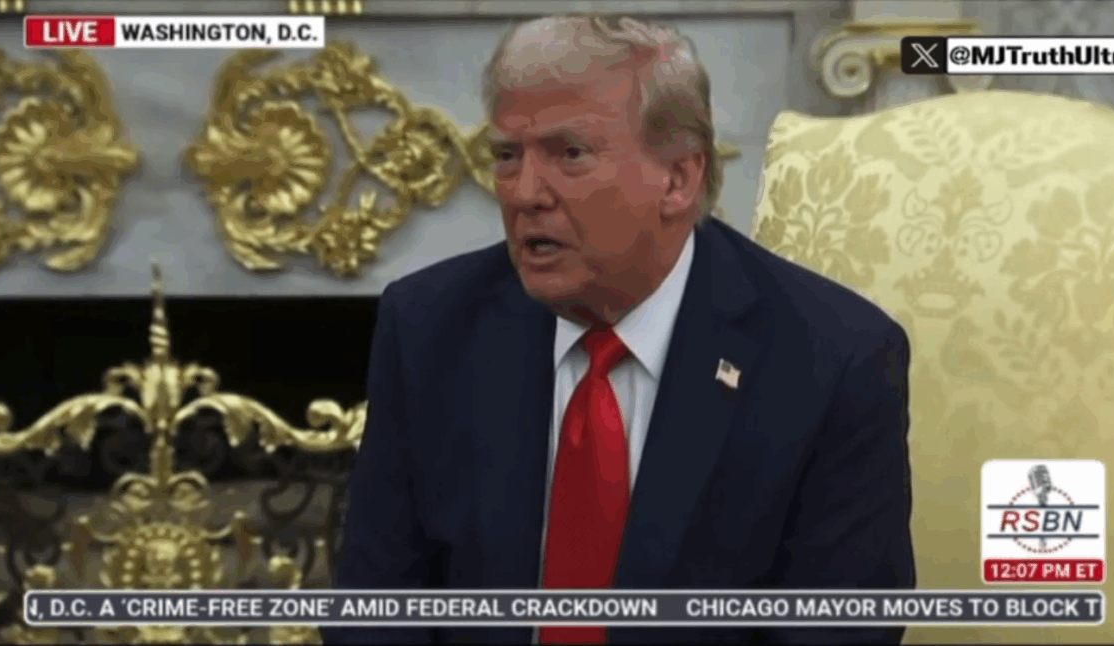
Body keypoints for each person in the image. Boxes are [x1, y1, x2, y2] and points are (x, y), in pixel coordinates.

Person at [326, 14, 915, 645]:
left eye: (569, 154)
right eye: (506, 156)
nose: (523, 193)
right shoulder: (429, 326)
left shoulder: (833, 362)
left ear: (678, 179)